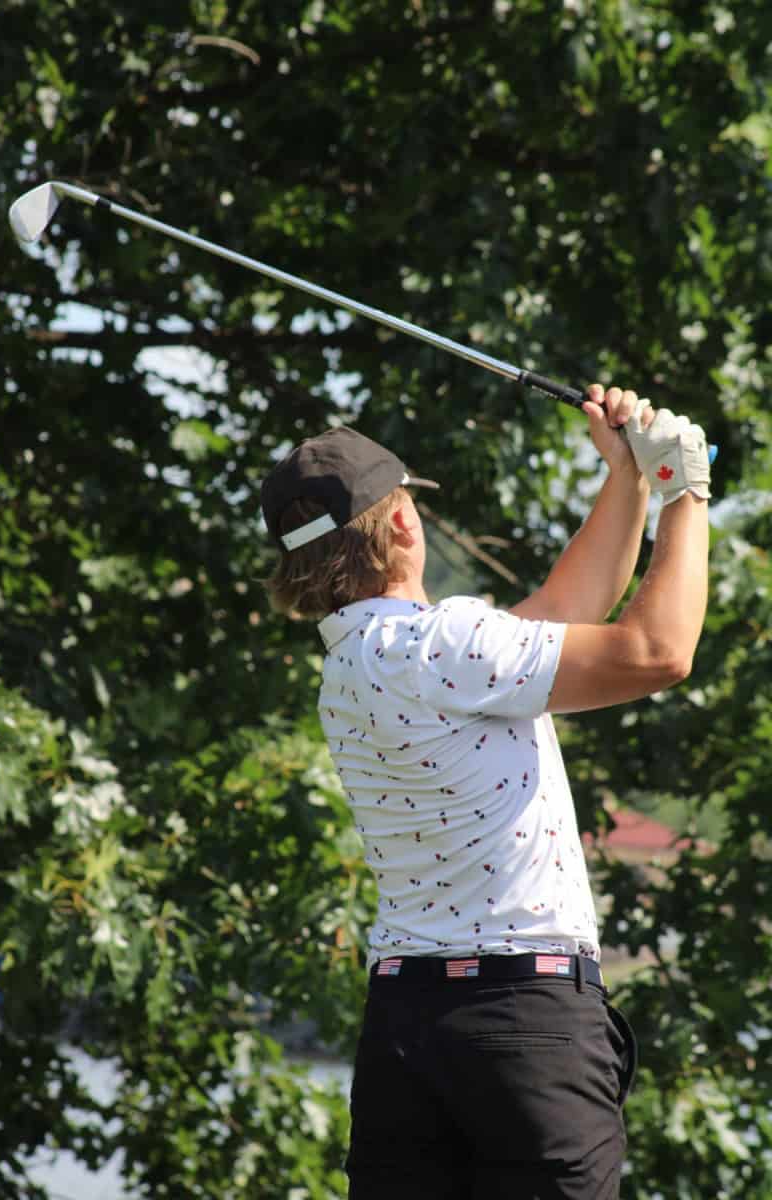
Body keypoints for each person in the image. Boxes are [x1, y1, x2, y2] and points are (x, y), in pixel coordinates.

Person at [260, 385, 711, 1200]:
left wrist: (627, 479)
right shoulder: (442, 645)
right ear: (403, 523)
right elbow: (658, 651)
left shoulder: (354, 663)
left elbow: (563, 613)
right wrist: (685, 492)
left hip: (405, 1033)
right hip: (525, 1022)